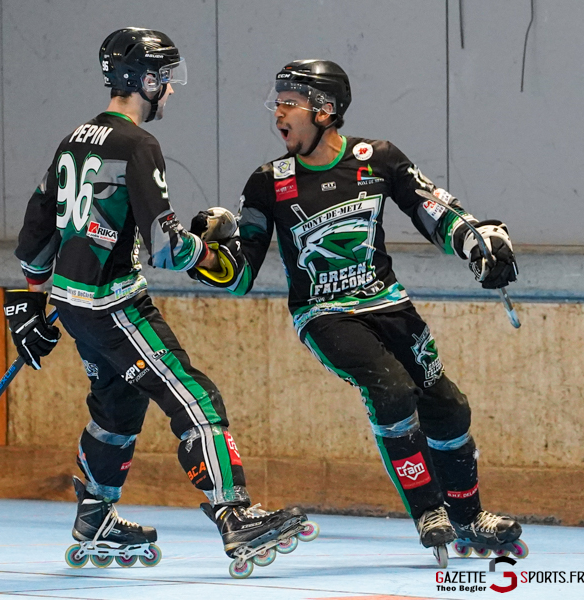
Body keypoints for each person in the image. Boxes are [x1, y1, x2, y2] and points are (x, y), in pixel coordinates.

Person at [187, 59, 526, 567]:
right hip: (323, 314)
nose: (277, 112)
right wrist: (200, 253)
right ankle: (428, 510)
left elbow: (435, 212)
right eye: (277, 102)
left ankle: (468, 517)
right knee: (391, 389)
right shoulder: (267, 182)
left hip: (389, 303)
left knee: (448, 406)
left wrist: (479, 242)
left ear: (324, 110)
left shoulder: (378, 158)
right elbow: (240, 275)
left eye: (289, 102)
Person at [6, 28, 318, 578]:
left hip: (73, 305)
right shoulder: (138, 144)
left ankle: (95, 518)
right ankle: (234, 514)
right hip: (114, 305)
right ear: (145, 80)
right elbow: (167, 248)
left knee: (117, 407)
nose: (170, 90)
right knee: (195, 398)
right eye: (166, 79)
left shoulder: (73, 140)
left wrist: (29, 303)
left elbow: (36, 233)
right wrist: (210, 244)